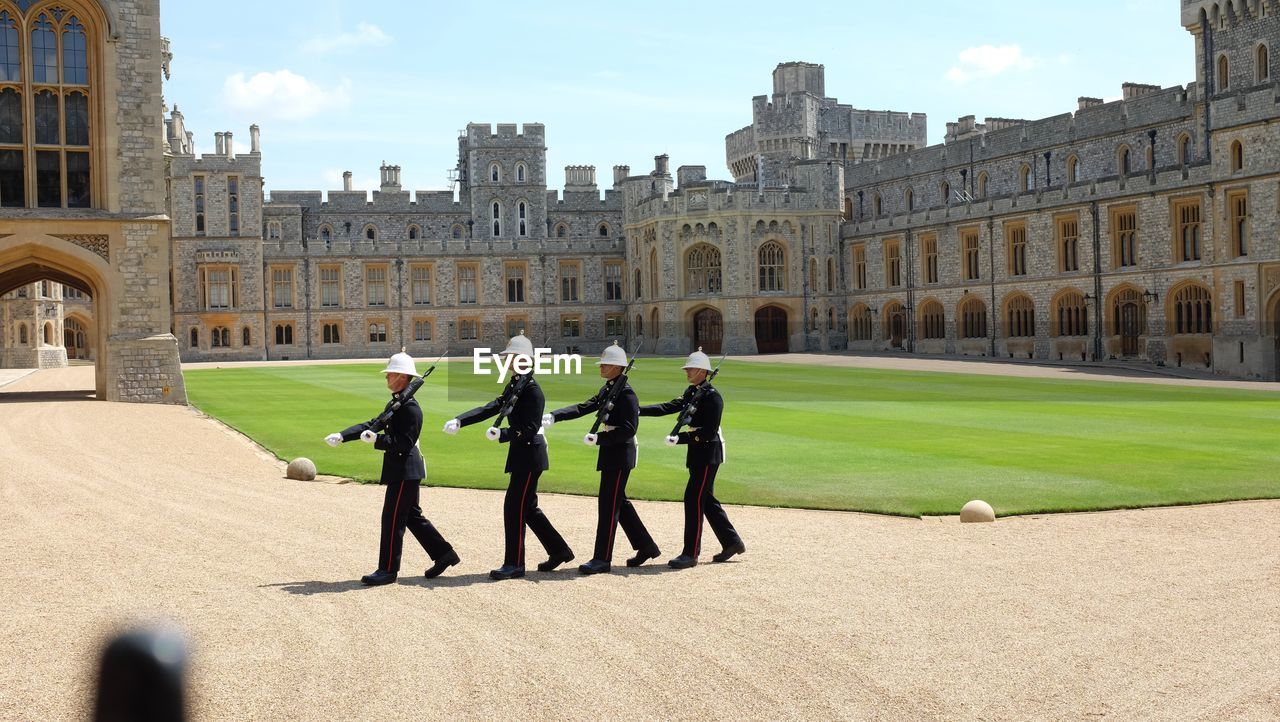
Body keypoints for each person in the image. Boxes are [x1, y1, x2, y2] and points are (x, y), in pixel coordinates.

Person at [444, 333, 573, 581]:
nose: (507, 361)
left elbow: (530, 428)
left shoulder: (533, 390)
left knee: (514, 508)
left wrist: (502, 434)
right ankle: (559, 550)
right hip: (522, 454)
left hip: (530, 456)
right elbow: (494, 406)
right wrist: (462, 420)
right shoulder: (516, 384)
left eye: (511, 357)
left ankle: (514, 563)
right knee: (529, 509)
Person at [324, 351, 459, 586]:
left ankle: (387, 570)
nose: (386, 377)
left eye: (391, 373)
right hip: (402, 470)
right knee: (412, 517)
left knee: (393, 519)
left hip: (406, 472)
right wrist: (343, 436)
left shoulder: (411, 409)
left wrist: (375, 441)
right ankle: (444, 554)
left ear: (403, 377)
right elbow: (373, 424)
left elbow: (404, 444)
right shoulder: (397, 403)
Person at [543, 341, 660, 575]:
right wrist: (556, 416)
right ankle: (647, 547)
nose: (601, 367)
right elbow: (585, 406)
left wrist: (600, 439)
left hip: (619, 453)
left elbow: (628, 429)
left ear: (618, 367)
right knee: (619, 503)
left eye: (606, 364)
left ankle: (602, 558)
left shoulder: (626, 394)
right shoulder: (609, 388)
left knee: (608, 506)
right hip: (610, 452)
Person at [639, 348, 744, 569]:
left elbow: (707, 432)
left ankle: (690, 553)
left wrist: (681, 439)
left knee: (693, 499)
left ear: (703, 372)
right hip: (697, 452)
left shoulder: (713, 397)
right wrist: (638, 410)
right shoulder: (692, 391)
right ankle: (732, 542)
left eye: (691, 368)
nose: (687, 371)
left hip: (708, 452)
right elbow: (669, 407)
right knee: (706, 499)